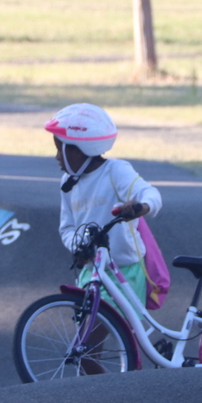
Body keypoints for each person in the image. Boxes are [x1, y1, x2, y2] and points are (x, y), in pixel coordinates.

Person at [48, 103, 162, 303]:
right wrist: (79, 246)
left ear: (79, 150)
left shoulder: (115, 171)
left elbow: (150, 193)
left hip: (125, 271)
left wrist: (141, 207)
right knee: (88, 320)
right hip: (92, 271)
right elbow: (67, 228)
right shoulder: (68, 182)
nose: (57, 157)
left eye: (60, 150)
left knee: (106, 321)